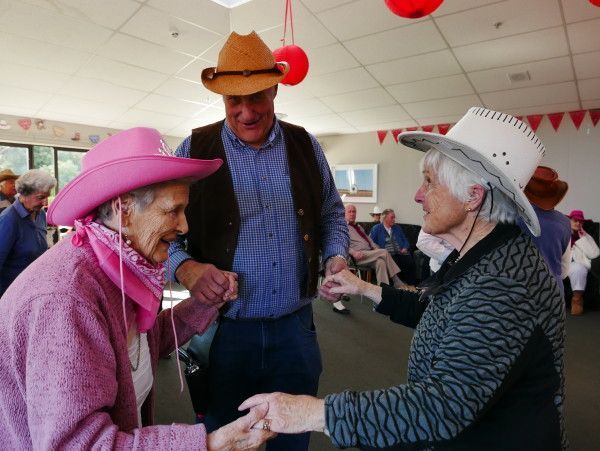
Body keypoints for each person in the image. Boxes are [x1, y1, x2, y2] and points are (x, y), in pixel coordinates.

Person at [240, 107, 567, 450]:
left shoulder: (504, 285)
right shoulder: (484, 254)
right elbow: (441, 313)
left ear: (474, 195)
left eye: (429, 181)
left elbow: (442, 406)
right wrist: (363, 287)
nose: (417, 195)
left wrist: (312, 413)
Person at [0, 128, 275, 450]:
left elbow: (136, 348)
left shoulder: (115, 264)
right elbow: (76, 444)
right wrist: (210, 445)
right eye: (173, 210)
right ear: (123, 209)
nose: (184, 226)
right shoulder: (66, 300)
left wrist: (203, 303)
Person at [167, 31, 348, 451]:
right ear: (222, 100)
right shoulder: (194, 149)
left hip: (295, 330)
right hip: (224, 333)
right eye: (234, 101)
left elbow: (331, 213)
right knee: (227, 437)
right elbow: (160, 233)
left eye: (257, 98)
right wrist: (186, 268)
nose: (246, 112)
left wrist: (336, 255)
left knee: (292, 439)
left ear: (275, 89)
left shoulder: (305, 145)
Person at [0, 169, 56, 296]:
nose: (45, 203)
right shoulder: (8, 220)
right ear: (24, 194)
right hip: (12, 292)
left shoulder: (40, 213)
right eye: (41, 197)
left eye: (47, 197)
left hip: (33, 287)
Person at [521, 166, 571, 294]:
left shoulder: (509, 218)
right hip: (553, 293)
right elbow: (564, 271)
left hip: (518, 293)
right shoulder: (565, 222)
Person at [345, 204, 404, 288]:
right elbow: (342, 244)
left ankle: (384, 289)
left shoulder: (358, 226)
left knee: (381, 262)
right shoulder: (343, 227)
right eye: (349, 212)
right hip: (357, 256)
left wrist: (375, 247)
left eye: (354, 211)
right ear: (344, 213)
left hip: (369, 254)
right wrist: (353, 252)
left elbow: (368, 239)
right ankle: (396, 280)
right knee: (384, 252)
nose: (352, 214)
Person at [369, 208, 417, 285]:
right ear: (385, 218)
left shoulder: (397, 228)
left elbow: (405, 240)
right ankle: (394, 286)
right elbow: (371, 242)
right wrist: (378, 249)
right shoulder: (377, 228)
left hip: (400, 252)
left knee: (409, 261)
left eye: (394, 217)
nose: (394, 219)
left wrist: (405, 248)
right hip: (387, 254)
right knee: (393, 261)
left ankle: (412, 286)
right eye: (392, 217)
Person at [566, 209, 600, 315]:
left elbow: (594, 254)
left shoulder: (586, 236)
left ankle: (577, 300)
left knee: (578, 269)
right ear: (569, 221)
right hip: (561, 263)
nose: (578, 223)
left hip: (577, 263)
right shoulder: (561, 234)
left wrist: (582, 239)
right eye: (575, 220)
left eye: (580, 221)